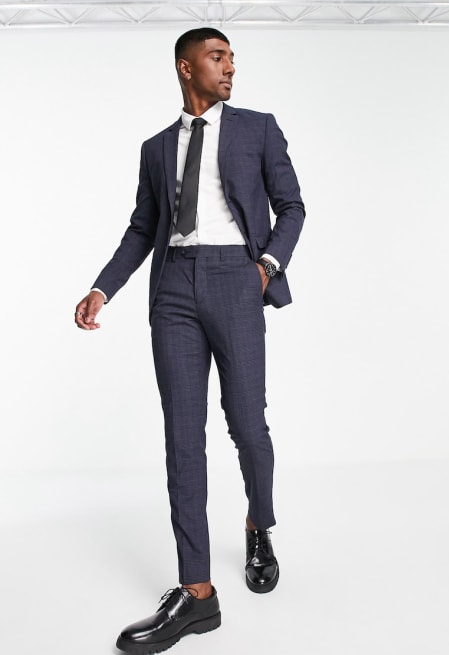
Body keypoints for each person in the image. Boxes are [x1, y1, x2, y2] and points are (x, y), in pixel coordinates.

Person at [75, 27, 305, 654]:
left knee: (248, 425)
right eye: (217, 57)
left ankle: (259, 522)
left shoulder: (258, 129)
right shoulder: (156, 148)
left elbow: (292, 207)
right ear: (186, 67)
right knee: (182, 435)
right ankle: (197, 592)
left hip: (237, 278)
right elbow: (142, 227)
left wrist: (265, 267)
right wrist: (102, 288)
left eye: (231, 58)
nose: (229, 67)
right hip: (173, 286)